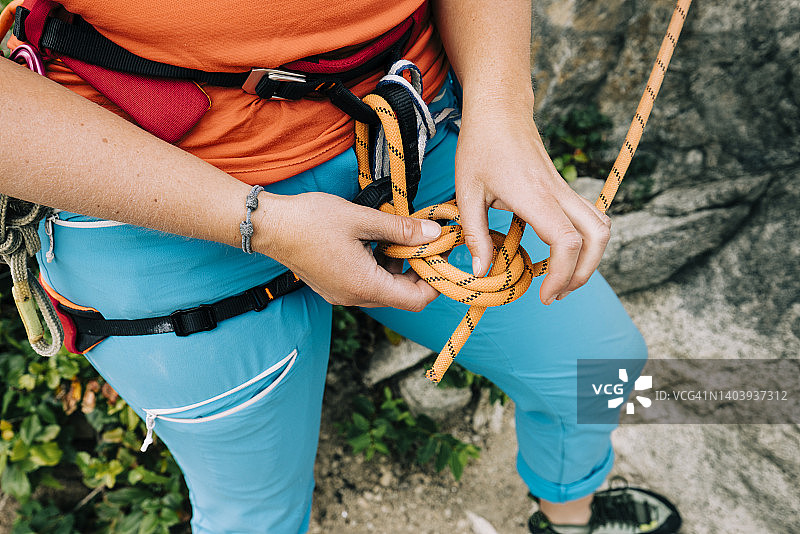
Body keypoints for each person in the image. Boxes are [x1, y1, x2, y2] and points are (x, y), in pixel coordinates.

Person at [0, 0, 682, 532]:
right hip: (147, 199)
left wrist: (501, 104)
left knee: (600, 367)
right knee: (254, 519)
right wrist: (262, 222)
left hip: (412, 130)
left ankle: (569, 517)